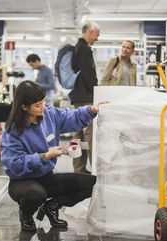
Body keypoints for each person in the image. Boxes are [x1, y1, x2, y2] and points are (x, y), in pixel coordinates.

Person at [0, 80, 108, 232]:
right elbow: (14, 165)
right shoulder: (13, 133)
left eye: (43, 102)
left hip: (46, 177)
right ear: (24, 107)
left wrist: (92, 110)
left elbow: (72, 117)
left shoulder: (50, 115)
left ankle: (52, 206)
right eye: (38, 105)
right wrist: (44, 156)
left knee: (93, 183)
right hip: (22, 182)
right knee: (36, 194)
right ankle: (26, 215)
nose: (43, 107)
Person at [70, 21, 100, 174]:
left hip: (78, 96)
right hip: (86, 96)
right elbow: (89, 74)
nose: (97, 38)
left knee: (79, 135)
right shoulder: (84, 49)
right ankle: (94, 167)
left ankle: (78, 168)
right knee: (89, 135)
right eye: (97, 35)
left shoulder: (78, 47)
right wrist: (96, 91)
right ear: (90, 32)